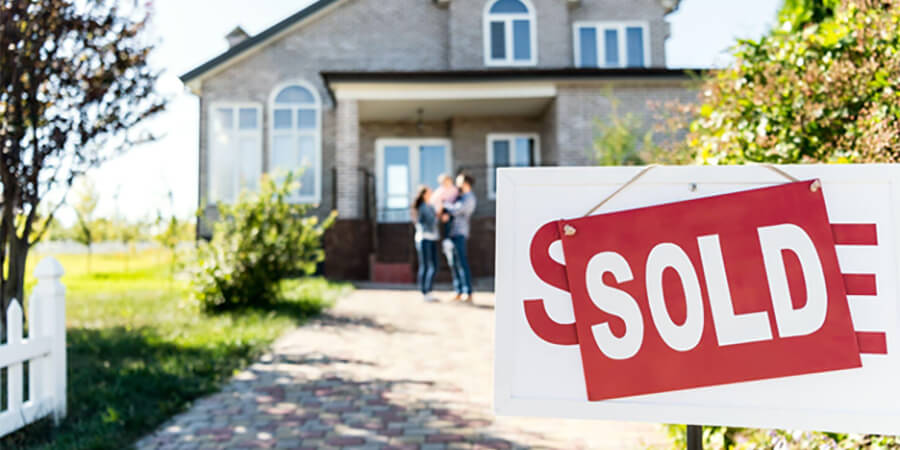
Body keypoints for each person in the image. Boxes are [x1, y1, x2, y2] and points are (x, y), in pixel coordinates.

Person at [442, 173, 477, 302]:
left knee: (462, 263)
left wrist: (444, 204)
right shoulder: (460, 197)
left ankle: (467, 292)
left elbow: (456, 210)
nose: (457, 185)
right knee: (454, 263)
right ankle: (458, 290)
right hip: (453, 233)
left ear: (466, 183)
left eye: (459, 182)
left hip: (460, 233)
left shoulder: (469, 198)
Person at [412, 186, 439, 302]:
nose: (432, 194)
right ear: (424, 194)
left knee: (433, 265)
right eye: (429, 192)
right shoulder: (423, 207)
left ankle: (429, 290)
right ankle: (425, 291)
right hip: (424, 239)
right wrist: (439, 212)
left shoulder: (430, 206)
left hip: (432, 238)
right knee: (427, 265)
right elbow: (432, 221)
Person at [431, 174, 458, 239]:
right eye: (444, 182)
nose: (446, 183)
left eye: (447, 181)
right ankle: (446, 238)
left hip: (452, 210)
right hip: (442, 211)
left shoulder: (455, 190)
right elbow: (434, 201)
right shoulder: (440, 190)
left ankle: (448, 238)